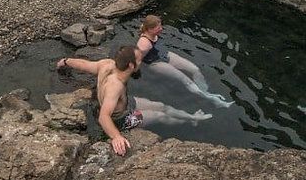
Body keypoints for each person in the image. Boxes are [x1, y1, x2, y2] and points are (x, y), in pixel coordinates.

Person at [56, 45, 212, 155]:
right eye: (139, 59)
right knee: (161, 116)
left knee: (161, 106)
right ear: (131, 65)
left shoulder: (107, 63)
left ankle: (192, 118)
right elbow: (104, 117)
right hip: (120, 119)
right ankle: (190, 120)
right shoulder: (115, 86)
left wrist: (65, 61)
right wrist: (116, 136)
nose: (141, 60)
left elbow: (84, 65)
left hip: (125, 103)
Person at [135, 15, 233, 108]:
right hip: (154, 63)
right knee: (185, 80)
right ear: (150, 29)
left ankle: (206, 92)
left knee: (194, 69)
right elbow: (138, 60)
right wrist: (137, 73)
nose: (161, 29)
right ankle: (213, 100)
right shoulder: (144, 44)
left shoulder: (150, 30)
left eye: (161, 26)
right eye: (158, 28)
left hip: (163, 54)